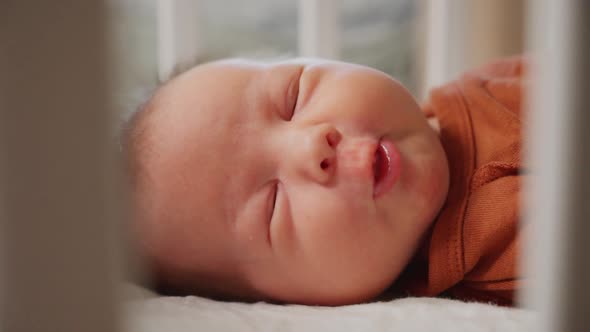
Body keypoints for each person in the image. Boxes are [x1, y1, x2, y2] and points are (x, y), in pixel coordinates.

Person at [123, 56, 524, 306]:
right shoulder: (492, 263)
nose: (312, 145)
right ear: (285, 301)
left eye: (293, 98)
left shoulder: (489, 85)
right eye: (273, 205)